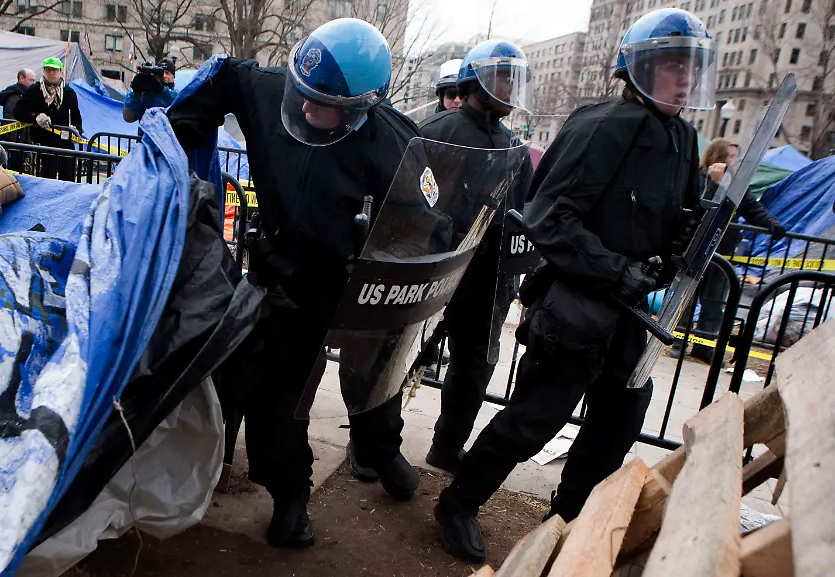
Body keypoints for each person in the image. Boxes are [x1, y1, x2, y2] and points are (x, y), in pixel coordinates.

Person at [432, 8, 715, 563]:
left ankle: (564, 522)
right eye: (672, 64)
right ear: (639, 68)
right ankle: (458, 502)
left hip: (633, 318)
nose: (683, 77)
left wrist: (689, 233)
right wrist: (616, 270)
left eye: (691, 66)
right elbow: (549, 218)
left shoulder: (682, 136)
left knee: (616, 428)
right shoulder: (600, 125)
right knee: (532, 420)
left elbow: (669, 213)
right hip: (579, 307)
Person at [168, 18, 421, 549]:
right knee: (271, 396)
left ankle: (380, 452)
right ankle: (289, 496)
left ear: (359, 107)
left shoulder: (393, 144)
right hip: (277, 274)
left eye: (320, 102)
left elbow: (421, 227)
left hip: (341, 282)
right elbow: (229, 78)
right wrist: (180, 130)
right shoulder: (274, 90)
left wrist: (378, 280)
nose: (304, 108)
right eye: (300, 93)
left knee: (376, 381)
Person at [417, 40, 534, 475]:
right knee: (404, 353)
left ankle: (448, 444)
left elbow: (525, 212)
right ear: (475, 80)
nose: (508, 87)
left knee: (474, 367)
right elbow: (412, 199)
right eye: (501, 76)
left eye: (514, 79)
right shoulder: (437, 131)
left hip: (487, 277)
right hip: (434, 265)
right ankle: (374, 442)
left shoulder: (514, 148)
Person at [675, 137, 785, 363]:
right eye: (730, 156)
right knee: (685, 296)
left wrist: (772, 223)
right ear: (716, 156)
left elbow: (751, 207)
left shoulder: (736, 183)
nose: (733, 161)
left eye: (735, 156)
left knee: (715, 300)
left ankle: (703, 345)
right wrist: (715, 183)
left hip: (723, 249)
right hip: (694, 246)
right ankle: (677, 340)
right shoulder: (696, 177)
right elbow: (699, 207)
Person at [14, 57, 83, 181]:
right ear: (44, 72)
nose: (51, 73)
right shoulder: (34, 90)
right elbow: (18, 112)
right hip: (42, 145)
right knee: (43, 181)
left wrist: (76, 131)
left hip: (65, 146)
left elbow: (76, 117)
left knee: (67, 182)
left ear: (61, 72)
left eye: (54, 70)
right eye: (48, 70)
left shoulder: (69, 93)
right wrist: (36, 117)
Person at [0, 68, 36, 172]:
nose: (33, 83)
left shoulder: (24, 94)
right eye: (31, 80)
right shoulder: (16, 96)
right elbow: (11, 118)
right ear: (21, 78)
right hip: (17, 139)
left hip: (21, 138)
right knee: (16, 168)